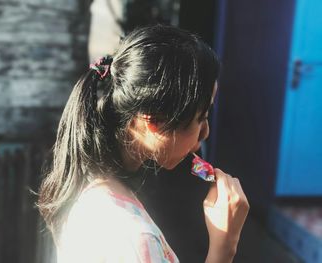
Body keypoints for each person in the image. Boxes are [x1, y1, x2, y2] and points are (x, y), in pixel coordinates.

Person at [38, 24, 249, 263]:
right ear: (153, 120)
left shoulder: (92, 188)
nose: (206, 132)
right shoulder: (135, 240)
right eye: (201, 118)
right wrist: (224, 247)